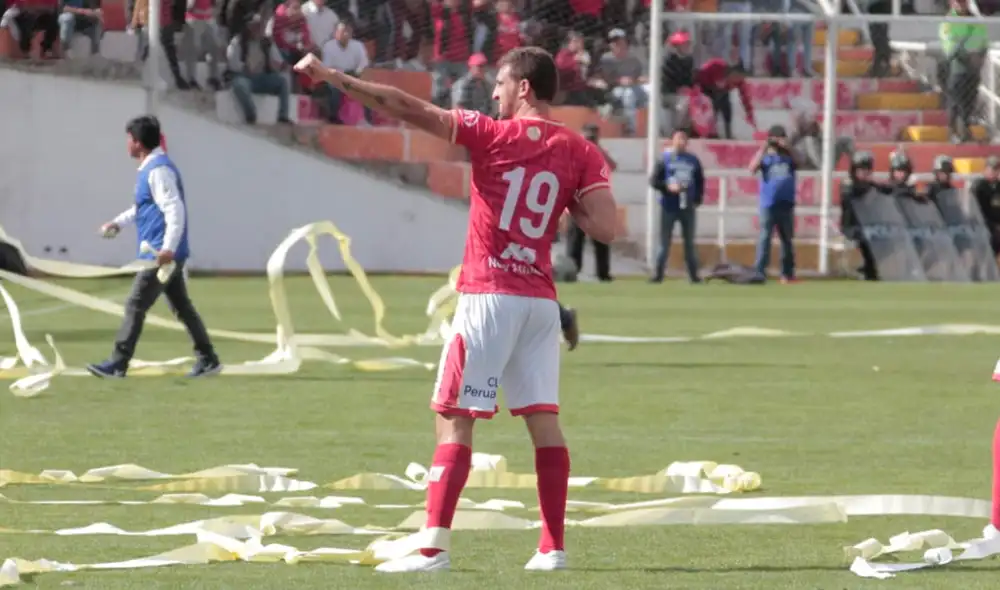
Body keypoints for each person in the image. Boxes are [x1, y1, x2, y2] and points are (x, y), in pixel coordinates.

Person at [294, 46, 618, 573]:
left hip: (488, 296)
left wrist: (334, 77)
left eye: (500, 84)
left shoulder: (491, 134)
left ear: (525, 89)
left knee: (453, 418)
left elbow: (408, 107)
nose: (494, 94)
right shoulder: (580, 150)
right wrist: (565, 197)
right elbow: (606, 228)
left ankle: (432, 550)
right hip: (540, 303)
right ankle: (552, 548)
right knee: (543, 422)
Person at [88, 116, 222, 379]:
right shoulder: (151, 169)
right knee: (181, 307)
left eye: (129, 139)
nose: (126, 144)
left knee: (135, 305)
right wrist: (118, 223)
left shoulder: (158, 171)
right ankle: (208, 358)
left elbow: (174, 209)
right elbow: (143, 208)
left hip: (160, 255)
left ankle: (118, 362)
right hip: (164, 253)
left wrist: (168, 248)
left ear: (138, 143)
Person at [649, 127, 703, 283]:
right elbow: (653, 181)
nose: (681, 142)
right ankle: (658, 274)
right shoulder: (664, 159)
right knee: (664, 242)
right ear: (672, 140)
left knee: (689, 242)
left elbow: (700, 180)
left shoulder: (693, 160)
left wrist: (698, 198)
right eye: (678, 138)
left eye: (684, 139)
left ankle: (693, 275)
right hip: (669, 205)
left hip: (687, 206)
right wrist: (667, 187)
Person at [565, 123, 616, 282]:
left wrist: (598, 150)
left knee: (601, 239)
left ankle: (603, 273)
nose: (590, 140)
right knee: (575, 240)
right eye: (587, 137)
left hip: (597, 203)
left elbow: (613, 166)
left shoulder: (601, 154)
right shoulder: (574, 153)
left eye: (593, 137)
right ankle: (573, 270)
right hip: (577, 201)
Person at [749, 125, 797, 283]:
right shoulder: (766, 158)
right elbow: (752, 168)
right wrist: (764, 148)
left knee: (787, 240)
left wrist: (788, 147)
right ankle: (760, 271)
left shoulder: (789, 158)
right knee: (765, 238)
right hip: (769, 204)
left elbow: (802, 161)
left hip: (786, 203)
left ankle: (787, 274)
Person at [839, 151, 880, 281]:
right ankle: (870, 270)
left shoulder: (870, 186)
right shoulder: (848, 185)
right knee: (866, 237)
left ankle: (870, 268)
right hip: (851, 226)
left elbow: (886, 189)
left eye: (867, 170)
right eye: (861, 170)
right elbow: (850, 195)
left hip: (865, 225)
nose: (864, 173)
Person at [694, 59, 755, 139]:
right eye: (735, 77)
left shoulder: (740, 81)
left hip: (721, 91)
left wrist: (749, 114)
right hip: (705, 87)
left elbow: (745, 98)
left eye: (740, 78)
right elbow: (701, 74)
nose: (736, 80)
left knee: (726, 107)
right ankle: (709, 133)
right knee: (712, 108)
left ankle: (728, 134)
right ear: (731, 72)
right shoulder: (718, 67)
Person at [971, 156, 1000, 256]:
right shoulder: (979, 186)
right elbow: (975, 209)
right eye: (993, 168)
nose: (995, 172)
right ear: (986, 169)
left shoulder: (998, 186)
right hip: (984, 225)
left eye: (997, 169)